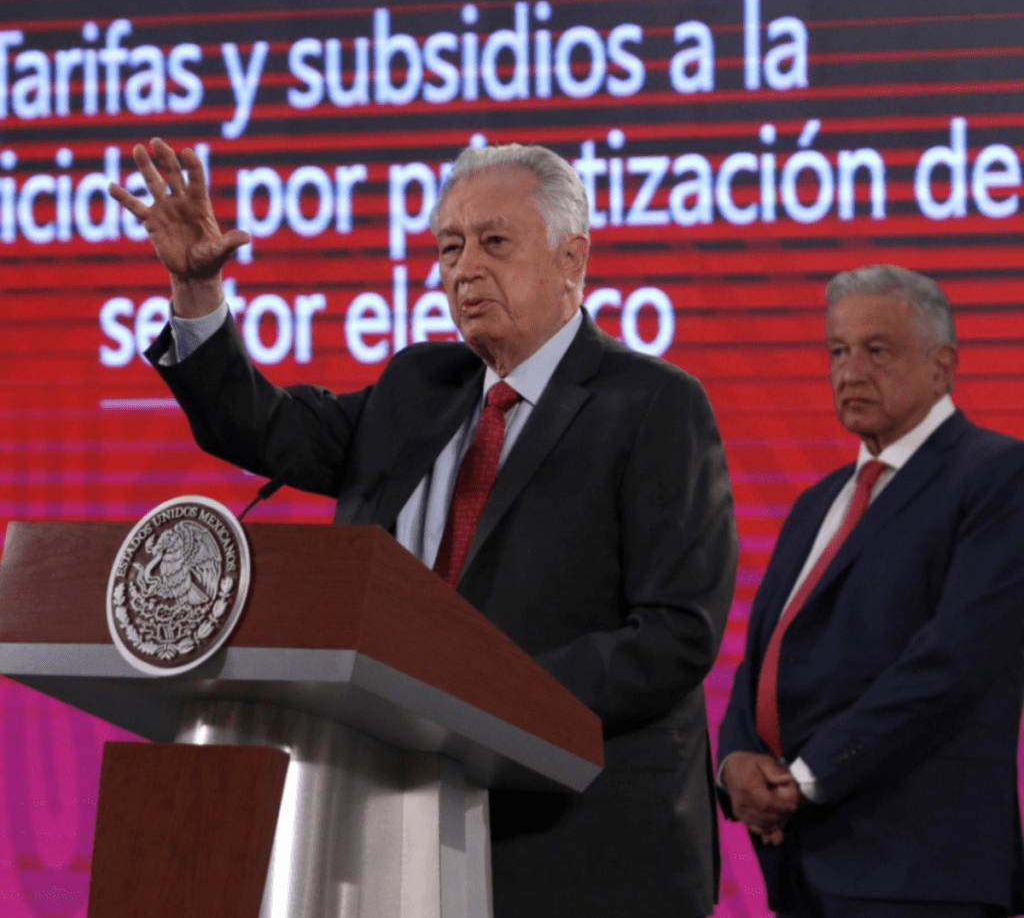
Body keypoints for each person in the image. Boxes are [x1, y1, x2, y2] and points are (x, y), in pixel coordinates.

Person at [109, 138, 738, 917]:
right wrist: (196, 292)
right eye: (449, 246)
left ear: (572, 258)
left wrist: (478, 698)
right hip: (388, 827)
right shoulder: (419, 385)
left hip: (578, 845)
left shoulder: (652, 405)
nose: (464, 267)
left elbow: (676, 633)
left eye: (494, 242)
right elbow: (262, 426)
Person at [717, 264, 1024, 917]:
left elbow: (954, 659)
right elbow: (764, 656)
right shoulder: (814, 502)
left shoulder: (999, 476)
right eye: (838, 349)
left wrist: (802, 779)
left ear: (942, 364)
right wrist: (735, 760)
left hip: (921, 871)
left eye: (876, 349)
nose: (850, 370)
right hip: (803, 867)